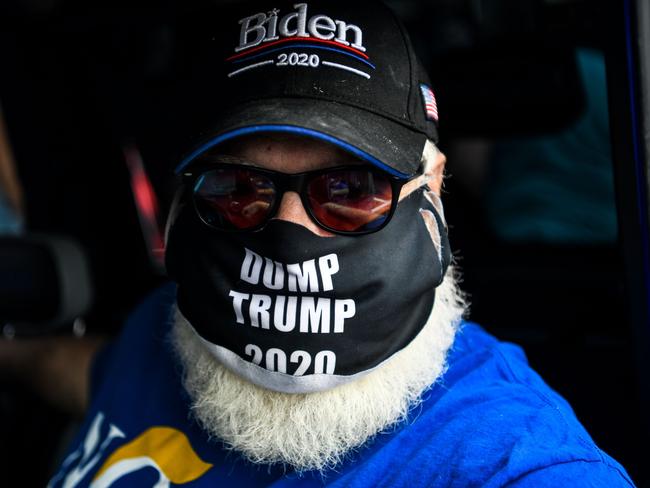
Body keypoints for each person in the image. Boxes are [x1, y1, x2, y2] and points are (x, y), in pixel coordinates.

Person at [23, 1, 635, 486]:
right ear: (188, 195)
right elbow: (96, 373)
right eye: (239, 186)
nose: (291, 235)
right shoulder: (173, 327)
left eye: (351, 186)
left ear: (434, 188)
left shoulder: (498, 456)